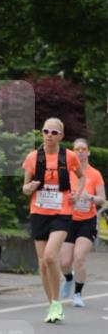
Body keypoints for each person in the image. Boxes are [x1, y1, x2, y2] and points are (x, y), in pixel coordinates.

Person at [22, 118, 85, 323]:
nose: (49, 135)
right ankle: (52, 306)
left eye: (54, 132)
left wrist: (77, 193)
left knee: (50, 256)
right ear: (42, 133)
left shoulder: (69, 157)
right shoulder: (33, 157)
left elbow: (81, 177)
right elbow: (25, 188)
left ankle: (57, 303)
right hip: (39, 212)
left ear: (61, 136)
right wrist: (29, 188)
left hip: (62, 211)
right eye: (45, 131)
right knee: (42, 264)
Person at [59, 138, 105, 307]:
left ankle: (78, 294)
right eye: (76, 149)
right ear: (73, 152)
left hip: (87, 221)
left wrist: (90, 197)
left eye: (83, 149)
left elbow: (102, 199)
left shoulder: (95, 174)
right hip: (69, 219)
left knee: (79, 258)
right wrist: (69, 197)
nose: (80, 152)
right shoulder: (68, 172)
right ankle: (69, 278)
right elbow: (59, 192)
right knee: (64, 262)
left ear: (88, 152)